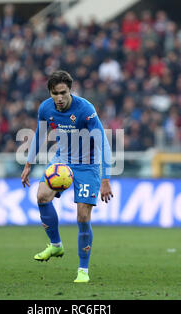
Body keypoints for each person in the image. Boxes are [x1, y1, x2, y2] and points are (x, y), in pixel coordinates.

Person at [21, 70, 113, 283]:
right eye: (55, 93)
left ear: (70, 90)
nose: (60, 98)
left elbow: (103, 144)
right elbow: (40, 134)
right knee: (41, 196)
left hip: (88, 165)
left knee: (82, 217)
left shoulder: (86, 110)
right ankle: (56, 245)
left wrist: (105, 179)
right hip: (62, 160)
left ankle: (83, 269)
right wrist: (28, 164)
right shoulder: (45, 108)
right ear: (50, 93)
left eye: (63, 93)